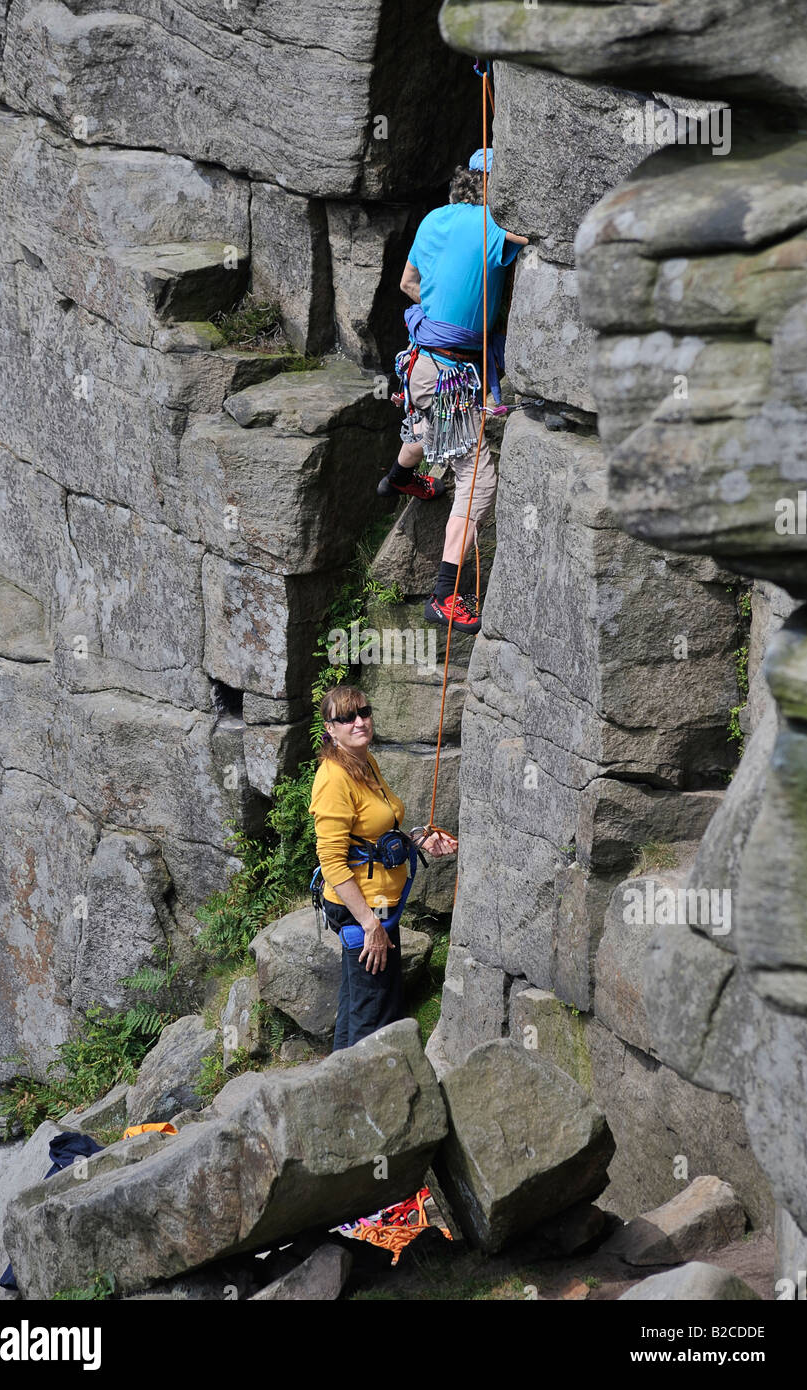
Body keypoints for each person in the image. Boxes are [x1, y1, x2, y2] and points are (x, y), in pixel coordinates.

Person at [378, 148, 530, 635]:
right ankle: (443, 596)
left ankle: (398, 478)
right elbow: (536, 239)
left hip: (424, 359)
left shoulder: (432, 220)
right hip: (452, 372)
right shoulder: (490, 224)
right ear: (492, 188)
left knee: (431, 424)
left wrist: (445, 316)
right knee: (478, 482)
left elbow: (407, 283)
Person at [309, 685, 457, 1050]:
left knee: (360, 1003)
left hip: (379, 906)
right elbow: (331, 861)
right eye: (346, 717)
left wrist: (418, 840)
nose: (359, 722)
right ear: (330, 728)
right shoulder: (333, 779)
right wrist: (370, 925)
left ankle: (335, 1084)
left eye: (363, 712)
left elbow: (377, 832)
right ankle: (361, 1100)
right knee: (374, 1014)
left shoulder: (362, 763)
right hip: (361, 910)